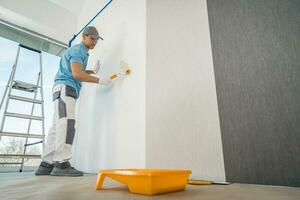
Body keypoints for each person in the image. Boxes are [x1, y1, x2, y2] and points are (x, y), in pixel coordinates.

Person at [35, 26, 113, 176]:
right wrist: (100, 80)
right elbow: (77, 74)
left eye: (97, 40)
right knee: (67, 124)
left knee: (57, 126)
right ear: (84, 36)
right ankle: (62, 164)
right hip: (66, 88)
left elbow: (75, 70)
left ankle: (46, 164)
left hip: (62, 89)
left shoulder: (81, 52)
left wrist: (91, 71)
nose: (94, 42)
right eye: (92, 38)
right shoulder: (79, 50)